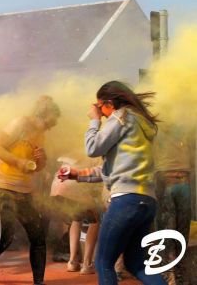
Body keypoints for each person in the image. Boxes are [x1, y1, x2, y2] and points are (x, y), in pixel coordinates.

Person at [59, 81, 166, 285]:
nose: (102, 113)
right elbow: (113, 169)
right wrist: (77, 174)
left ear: (108, 103)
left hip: (125, 201)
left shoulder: (120, 117)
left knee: (103, 262)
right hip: (146, 201)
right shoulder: (141, 124)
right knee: (138, 264)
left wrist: (94, 121)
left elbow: (93, 148)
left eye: (100, 107)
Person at [0, 95, 60, 285]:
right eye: (49, 123)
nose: (50, 128)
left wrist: (42, 160)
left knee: (38, 236)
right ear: (42, 115)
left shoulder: (40, 135)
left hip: (25, 192)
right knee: (3, 238)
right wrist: (18, 161)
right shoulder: (20, 124)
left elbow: (37, 167)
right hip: (3, 188)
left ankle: (38, 282)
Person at [154, 124, 192, 284]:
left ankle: (175, 272)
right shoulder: (156, 126)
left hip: (180, 179)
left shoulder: (182, 122)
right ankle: (170, 273)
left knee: (178, 229)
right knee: (170, 229)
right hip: (166, 179)